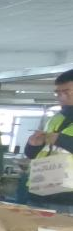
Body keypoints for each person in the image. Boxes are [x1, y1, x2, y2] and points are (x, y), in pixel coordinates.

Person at [24, 70, 73, 213]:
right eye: (58, 92)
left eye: (66, 91)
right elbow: (36, 154)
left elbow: (61, 142)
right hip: (39, 190)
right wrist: (33, 146)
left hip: (67, 196)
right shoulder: (56, 118)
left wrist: (60, 139)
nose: (61, 96)